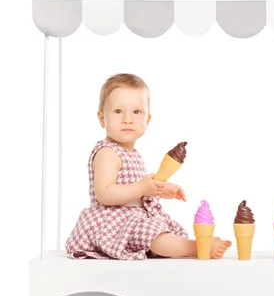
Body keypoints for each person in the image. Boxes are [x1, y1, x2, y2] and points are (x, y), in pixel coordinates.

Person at [66, 73, 232, 260]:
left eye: (136, 112)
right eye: (118, 111)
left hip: (133, 219)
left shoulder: (132, 153)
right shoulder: (107, 152)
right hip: (112, 222)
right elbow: (104, 194)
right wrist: (141, 187)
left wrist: (157, 190)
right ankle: (197, 247)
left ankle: (190, 245)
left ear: (148, 120)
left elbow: (136, 192)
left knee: (162, 232)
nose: (127, 119)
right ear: (102, 118)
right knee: (156, 237)